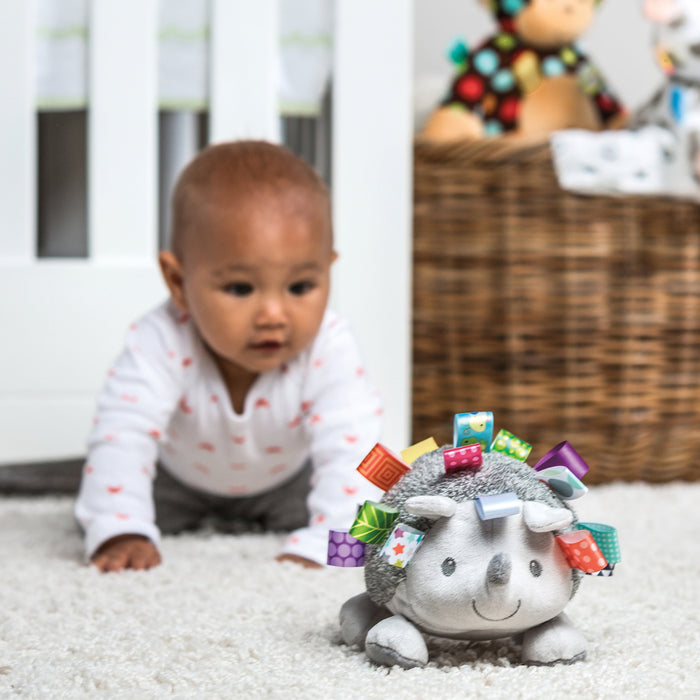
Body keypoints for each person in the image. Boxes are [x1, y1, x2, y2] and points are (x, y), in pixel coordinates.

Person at [73, 140, 383, 572]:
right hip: (176, 481)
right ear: (178, 282)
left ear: (327, 270)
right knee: (104, 503)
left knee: (357, 502)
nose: (274, 315)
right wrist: (120, 528)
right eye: (240, 289)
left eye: (300, 287)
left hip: (288, 483)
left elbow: (354, 449)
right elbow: (123, 432)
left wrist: (332, 545)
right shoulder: (160, 339)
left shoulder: (329, 345)